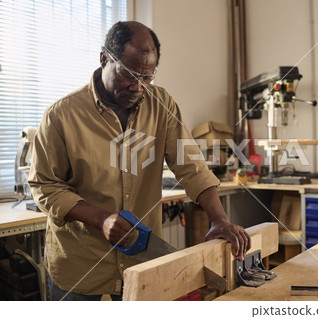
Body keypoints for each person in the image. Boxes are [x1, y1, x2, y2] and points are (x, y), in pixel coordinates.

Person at [28, 21, 251, 301]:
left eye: (148, 77)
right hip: (81, 268)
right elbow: (44, 186)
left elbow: (190, 165)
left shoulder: (162, 105)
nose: (138, 86)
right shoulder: (61, 116)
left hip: (142, 266)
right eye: (128, 74)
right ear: (103, 59)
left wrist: (219, 219)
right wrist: (100, 219)